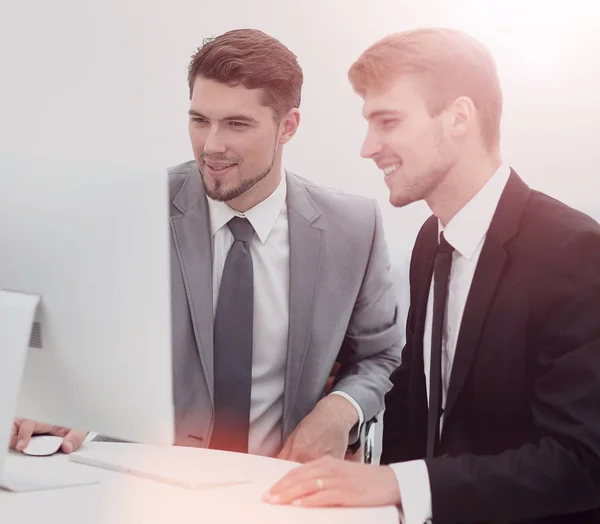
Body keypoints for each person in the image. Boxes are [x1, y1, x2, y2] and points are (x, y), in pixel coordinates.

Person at [11, 28, 402, 462]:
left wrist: (338, 410)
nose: (212, 146)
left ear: (287, 126)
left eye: (237, 124)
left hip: (279, 485)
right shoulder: (134, 210)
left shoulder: (353, 227)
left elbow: (379, 355)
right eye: (200, 120)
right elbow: (84, 345)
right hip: (147, 479)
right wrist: (63, 404)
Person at [264, 27, 600, 522]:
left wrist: (395, 483)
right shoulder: (429, 241)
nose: (368, 147)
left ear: (459, 117)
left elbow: (581, 462)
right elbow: (420, 401)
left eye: (388, 122)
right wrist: (361, 457)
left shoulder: (573, 251)